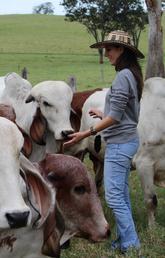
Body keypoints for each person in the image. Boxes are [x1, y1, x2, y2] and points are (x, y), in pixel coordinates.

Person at [63, 30, 144, 256]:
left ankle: (132, 244)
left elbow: (116, 117)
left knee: (114, 196)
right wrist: (103, 112)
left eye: (110, 49)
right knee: (122, 194)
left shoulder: (122, 76)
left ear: (122, 51)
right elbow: (124, 111)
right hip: (127, 140)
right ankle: (124, 239)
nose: (106, 53)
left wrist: (84, 134)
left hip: (119, 144)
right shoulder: (132, 74)